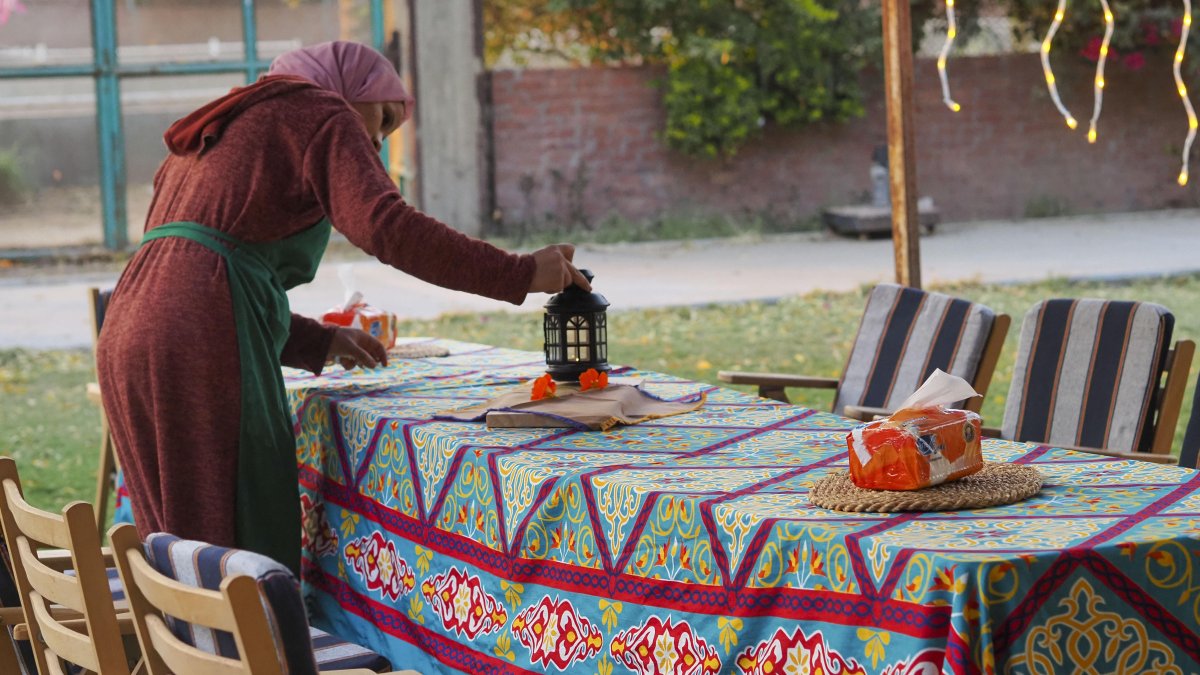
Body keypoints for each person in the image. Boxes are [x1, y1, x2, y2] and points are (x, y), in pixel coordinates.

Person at [96, 41, 588, 574]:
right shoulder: (318, 110)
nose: (375, 141)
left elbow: (207, 264)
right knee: (231, 530)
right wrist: (517, 273)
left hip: (130, 323)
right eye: (380, 118)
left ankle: (186, 651)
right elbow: (386, 226)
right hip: (198, 331)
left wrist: (319, 340)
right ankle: (250, 652)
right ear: (347, 93)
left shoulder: (236, 120)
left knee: (176, 536)